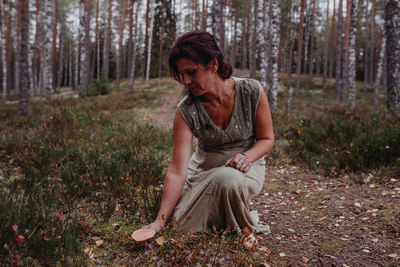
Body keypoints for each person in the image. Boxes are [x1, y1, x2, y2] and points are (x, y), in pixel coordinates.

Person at [142, 30, 274, 234]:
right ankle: (226, 215)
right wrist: (159, 221)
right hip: (201, 171)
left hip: (246, 169)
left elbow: (267, 139)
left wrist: (247, 157)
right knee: (179, 226)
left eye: (192, 72)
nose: (185, 81)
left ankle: (230, 214)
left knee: (228, 180)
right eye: (182, 74)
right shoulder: (185, 111)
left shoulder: (251, 90)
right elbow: (177, 170)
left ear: (213, 64)